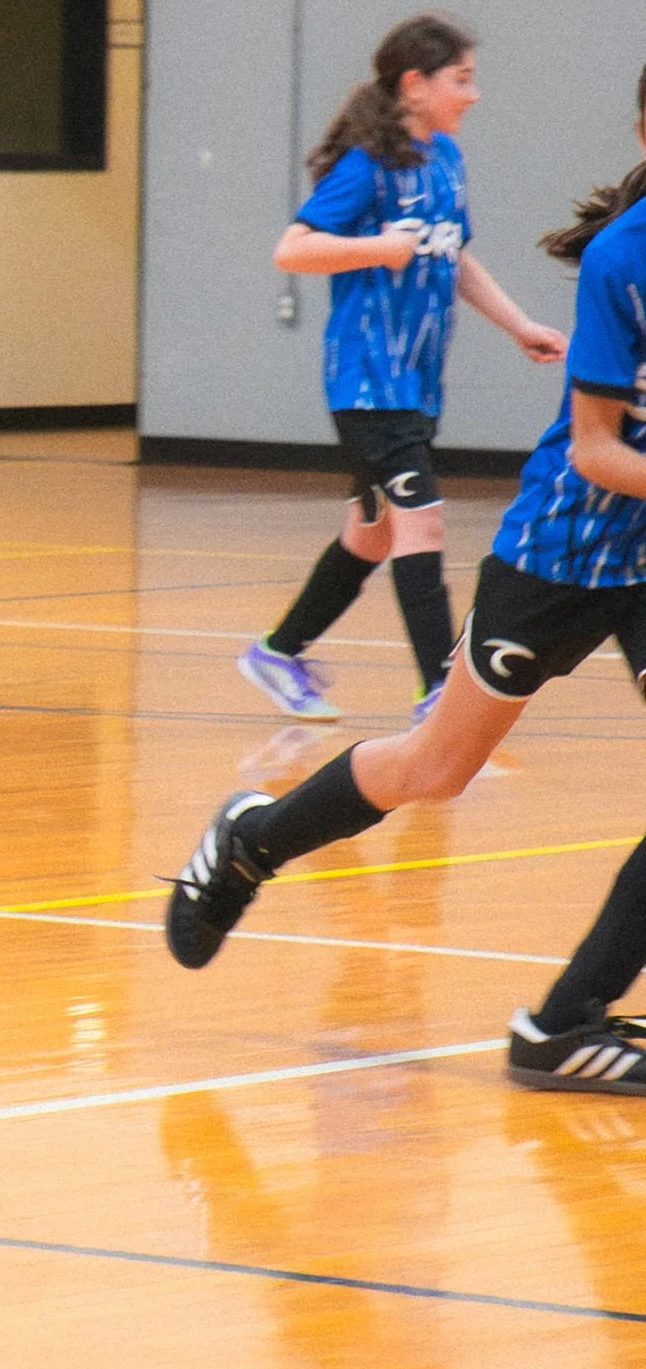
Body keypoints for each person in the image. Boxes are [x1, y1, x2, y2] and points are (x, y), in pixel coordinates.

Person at [170, 66, 646, 1092]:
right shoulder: (625, 258)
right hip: (568, 551)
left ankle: (564, 1027)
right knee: (437, 768)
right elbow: (600, 449)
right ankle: (254, 841)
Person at [239, 14, 563, 724]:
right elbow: (292, 250)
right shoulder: (365, 166)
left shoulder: (444, 158)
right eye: (462, 79)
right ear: (415, 85)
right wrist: (376, 247)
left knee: (375, 531)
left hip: (416, 383)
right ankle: (441, 699)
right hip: (367, 381)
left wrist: (519, 326)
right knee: (425, 524)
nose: (474, 94)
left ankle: (278, 651)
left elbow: (455, 258)